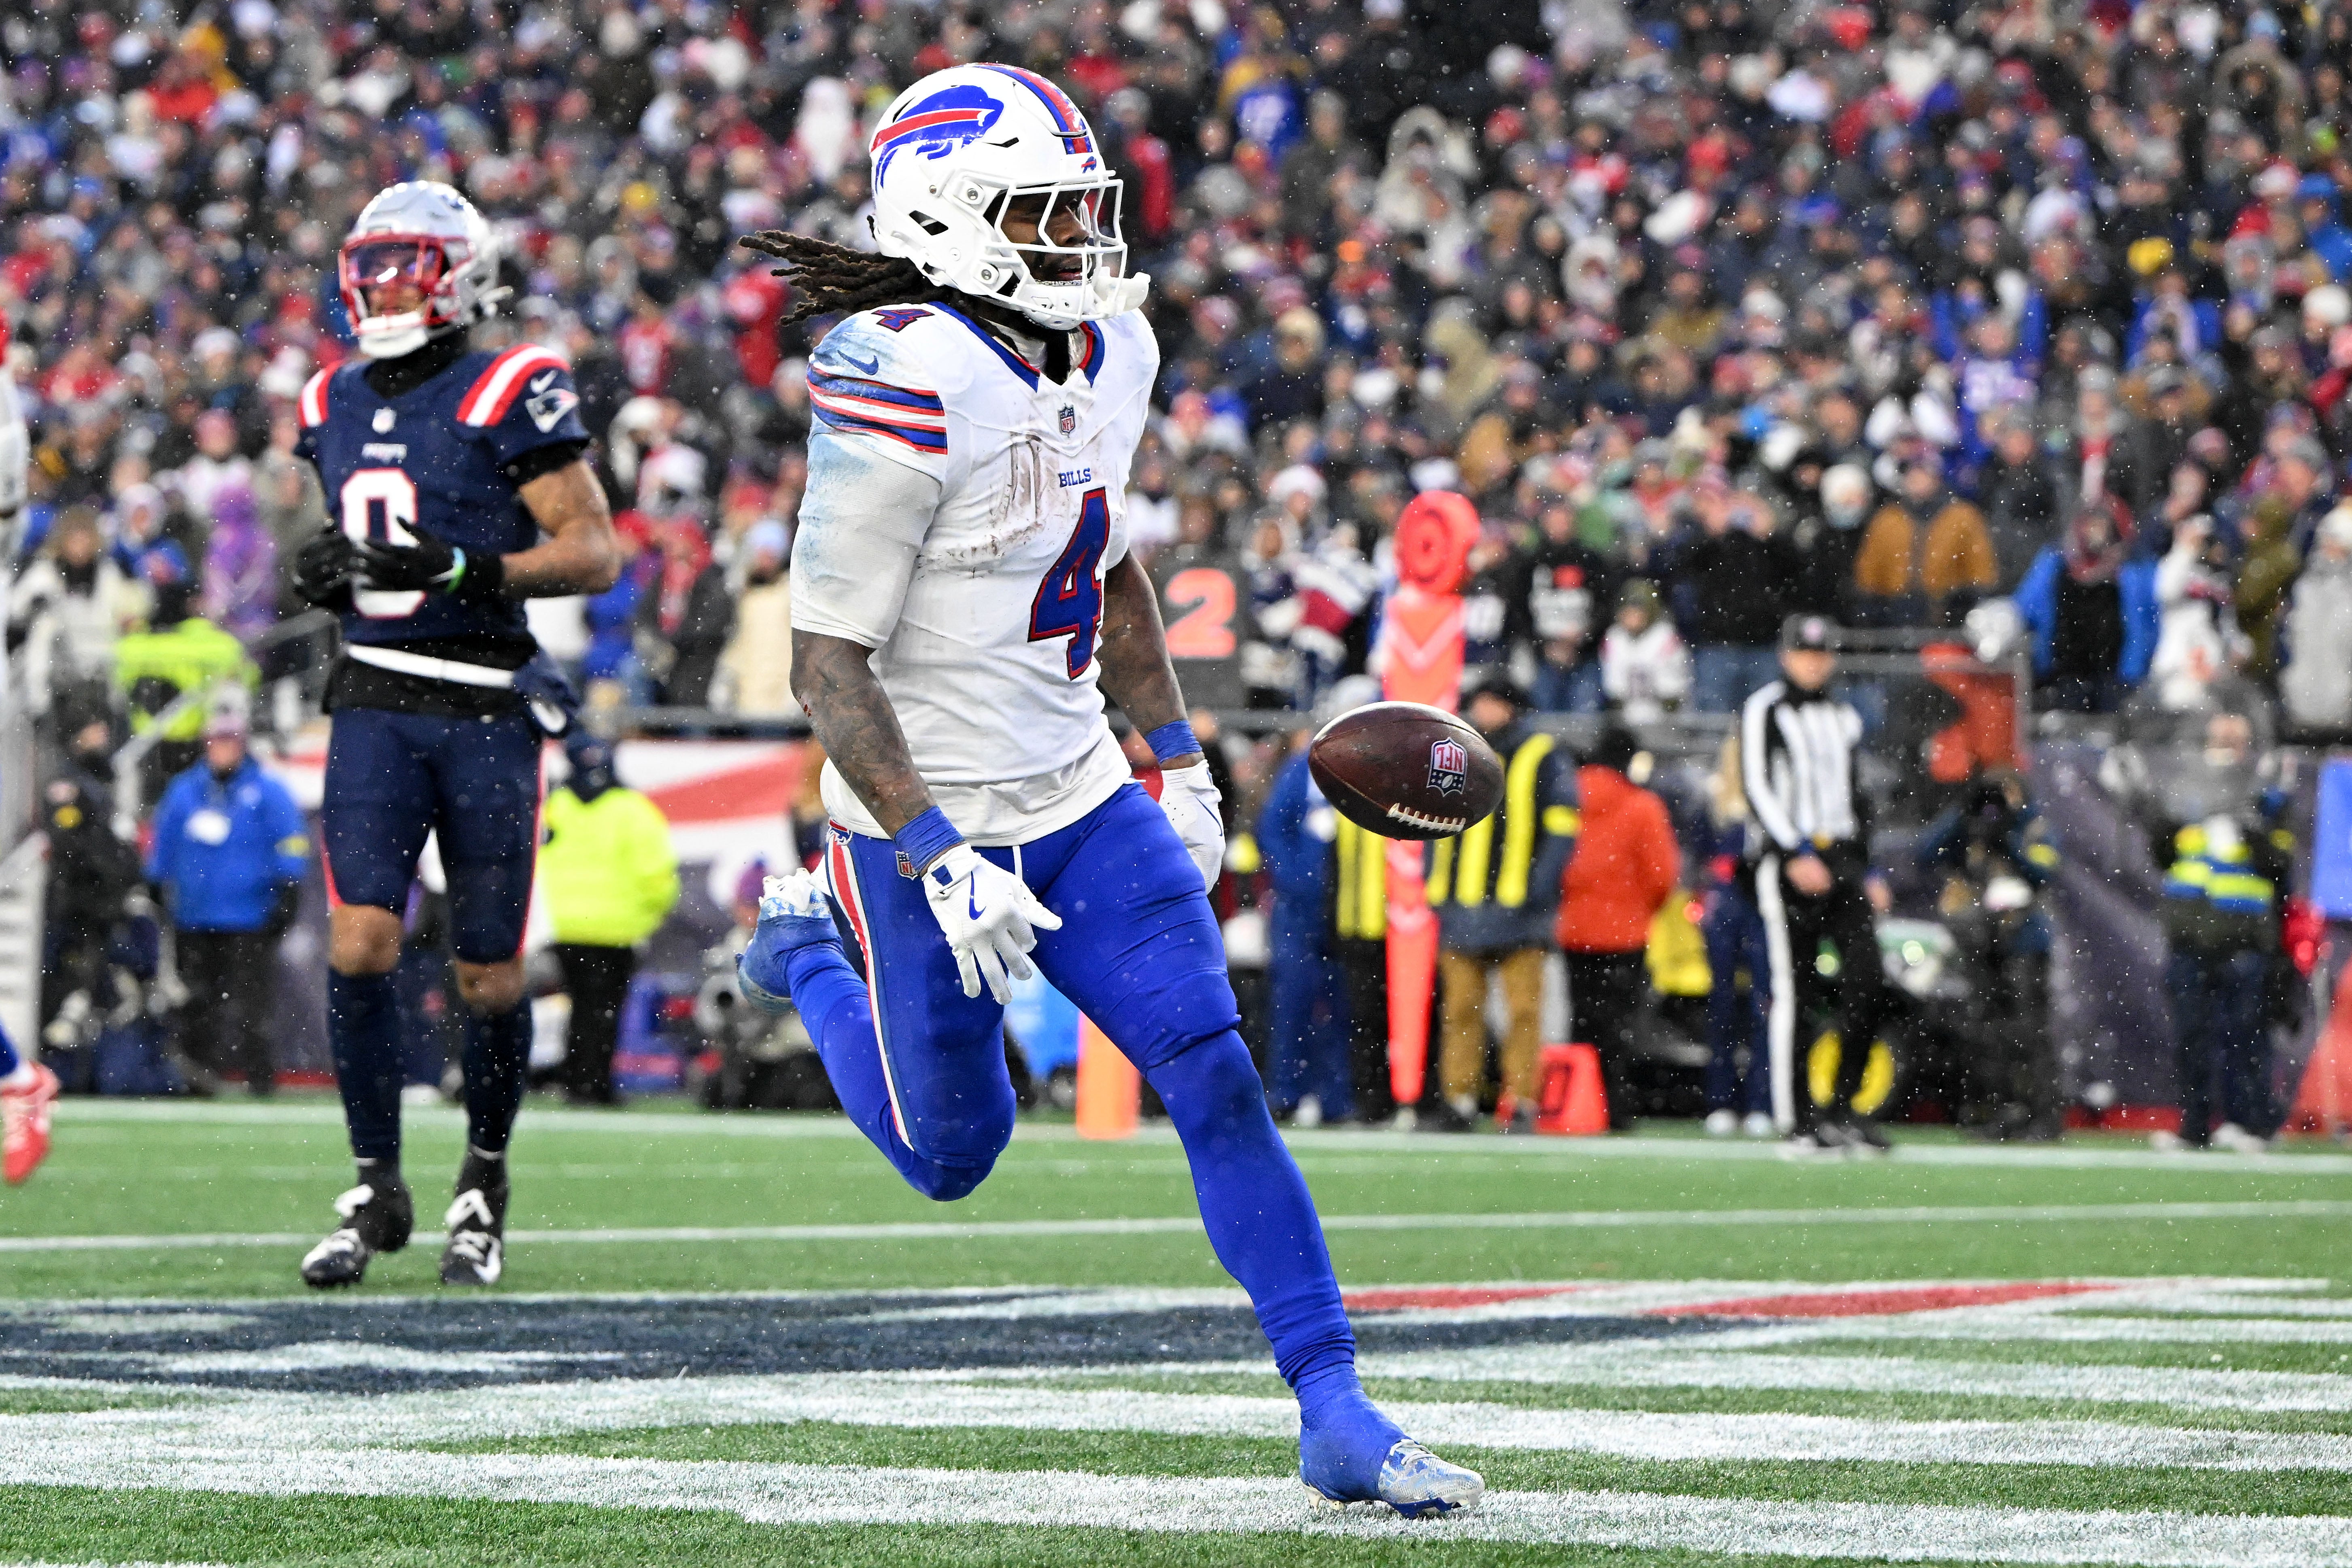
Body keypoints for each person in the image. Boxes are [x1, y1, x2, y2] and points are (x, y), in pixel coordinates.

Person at [732, 65, 1481, 1517]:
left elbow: (1110, 565)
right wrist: (935, 848)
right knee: (954, 1155)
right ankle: (805, 948)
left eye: (1084, 206)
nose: (1080, 236)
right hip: (916, 825)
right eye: (1042, 211)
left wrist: (1178, 761)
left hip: (1080, 799)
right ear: (945, 220)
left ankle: (1332, 1404)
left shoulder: (1104, 345)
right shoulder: (896, 370)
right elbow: (824, 664)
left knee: (1215, 1073)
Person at [284, 181, 620, 1289]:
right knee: (359, 940)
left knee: (487, 973)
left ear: (461, 277)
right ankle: (374, 1181)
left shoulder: (509, 384)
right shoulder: (328, 394)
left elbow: (593, 552)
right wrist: (317, 568)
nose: (385, 290)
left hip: (481, 703)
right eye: (373, 270)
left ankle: (483, 1179)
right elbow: (352, 536)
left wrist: (468, 568)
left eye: (407, 269)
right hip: (374, 695)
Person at [1741, 615, 1897, 1152]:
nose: (1813, 662)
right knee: (1797, 991)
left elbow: (1856, 793)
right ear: (1786, 656)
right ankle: (1799, 1116)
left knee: (1868, 981)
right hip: (1789, 860)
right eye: (1805, 653)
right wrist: (1793, 851)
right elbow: (1757, 786)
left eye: (1822, 653)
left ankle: (1844, 1107)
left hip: (1843, 856)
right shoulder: (1766, 708)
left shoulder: (1843, 714)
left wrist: (1868, 866)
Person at [1423, 676, 1580, 1133]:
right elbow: (1430, 817)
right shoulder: (1455, 750)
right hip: (1461, 902)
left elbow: (1562, 827)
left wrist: (1538, 889)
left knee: (1524, 1011)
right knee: (1460, 1009)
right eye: (1481, 703)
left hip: (1519, 906)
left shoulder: (1541, 753)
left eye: (1493, 702)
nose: (1484, 712)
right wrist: (1435, 881)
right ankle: (1460, 1099)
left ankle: (1524, 1101)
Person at [146, 697, 308, 1097]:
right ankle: (199, 1074)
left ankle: (259, 1075)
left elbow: (291, 840)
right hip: (195, 914)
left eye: (230, 741)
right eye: (216, 741)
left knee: (252, 1002)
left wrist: (289, 885)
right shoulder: (185, 790)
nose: (222, 749)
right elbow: (164, 840)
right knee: (197, 999)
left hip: (250, 915)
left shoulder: (268, 790)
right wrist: (156, 881)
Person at [1917, 768, 2063, 1141]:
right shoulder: (1971, 826)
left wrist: (2008, 838)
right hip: (1982, 940)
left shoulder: (2034, 826)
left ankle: (2043, 1115)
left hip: (2024, 939)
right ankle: (2001, 1111)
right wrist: (1963, 814)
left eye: (2006, 793)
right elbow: (1926, 853)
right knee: (1988, 1031)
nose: (1999, 804)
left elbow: (2044, 872)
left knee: (2030, 1030)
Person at [538, 731, 681, 1106]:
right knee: (603, 1009)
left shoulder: (554, 806)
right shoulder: (632, 809)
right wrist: (650, 914)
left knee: (578, 1005)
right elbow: (658, 877)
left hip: (564, 925)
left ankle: (574, 1080)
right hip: (616, 928)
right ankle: (594, 1084)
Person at [1554, 726, 1681, 1132]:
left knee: (1581, 1019)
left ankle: (1577, 1103)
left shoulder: (1567, 797)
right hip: (1625, 932)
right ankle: (1614, 1106)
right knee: (1620, 1024)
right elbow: (1663, 874)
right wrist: (1640, 909)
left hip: (1573, 927)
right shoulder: (1642, 806)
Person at [1256, 733, 1354, 1125]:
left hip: (1346, 910)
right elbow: (1272, 829)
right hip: (1302, 911)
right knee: (1293, 1003)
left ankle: (1336, 1097)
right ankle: (1287, 1092)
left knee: (1343, 1007)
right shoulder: (1302, 769)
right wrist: (1299, 882)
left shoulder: (1365, 772)